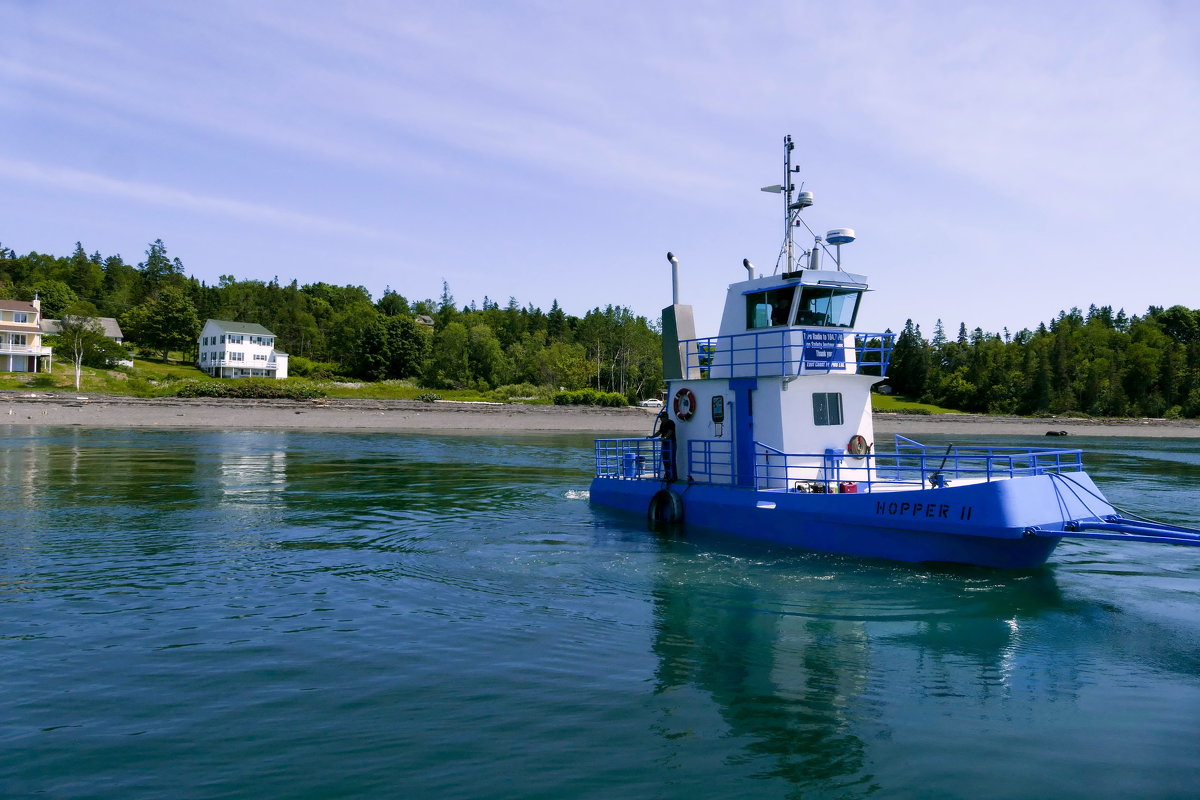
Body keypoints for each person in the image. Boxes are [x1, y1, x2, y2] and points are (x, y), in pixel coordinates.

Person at [651, 408, 677, 482]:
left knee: (671, 459)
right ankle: (667, 475)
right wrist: (652, 436)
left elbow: (670, 432)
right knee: (665, 460)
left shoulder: (671, 423)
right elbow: (659, 432)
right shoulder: (663, 424)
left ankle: (673, 477)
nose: (661, 419)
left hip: (671, 443)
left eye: (662, 418)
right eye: (660, 418)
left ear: (666, 417)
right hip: (665, 443)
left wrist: (665, 437)